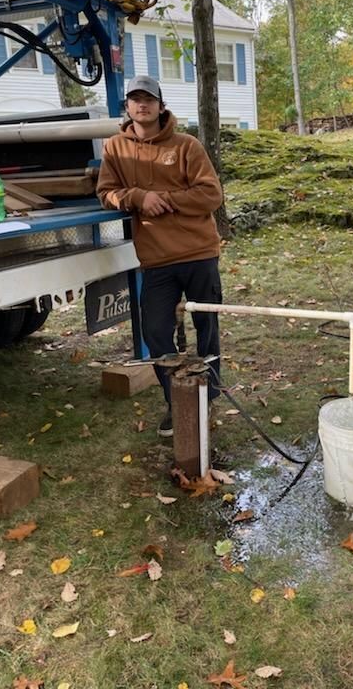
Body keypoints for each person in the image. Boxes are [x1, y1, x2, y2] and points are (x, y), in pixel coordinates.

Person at [97, 75, 223, 436]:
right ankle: (177, 401)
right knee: (156, 332)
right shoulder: (115, 148)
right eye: (135, 99)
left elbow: (210, 195)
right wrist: (138, 198)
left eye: (149, 99)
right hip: (156, 260)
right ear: (127, 107)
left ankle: (209, 399)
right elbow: (106, 192)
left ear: (160, 105)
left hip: (199, 253)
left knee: (207, 329)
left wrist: (164, 200)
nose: (142, 105)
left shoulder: (187, 146)